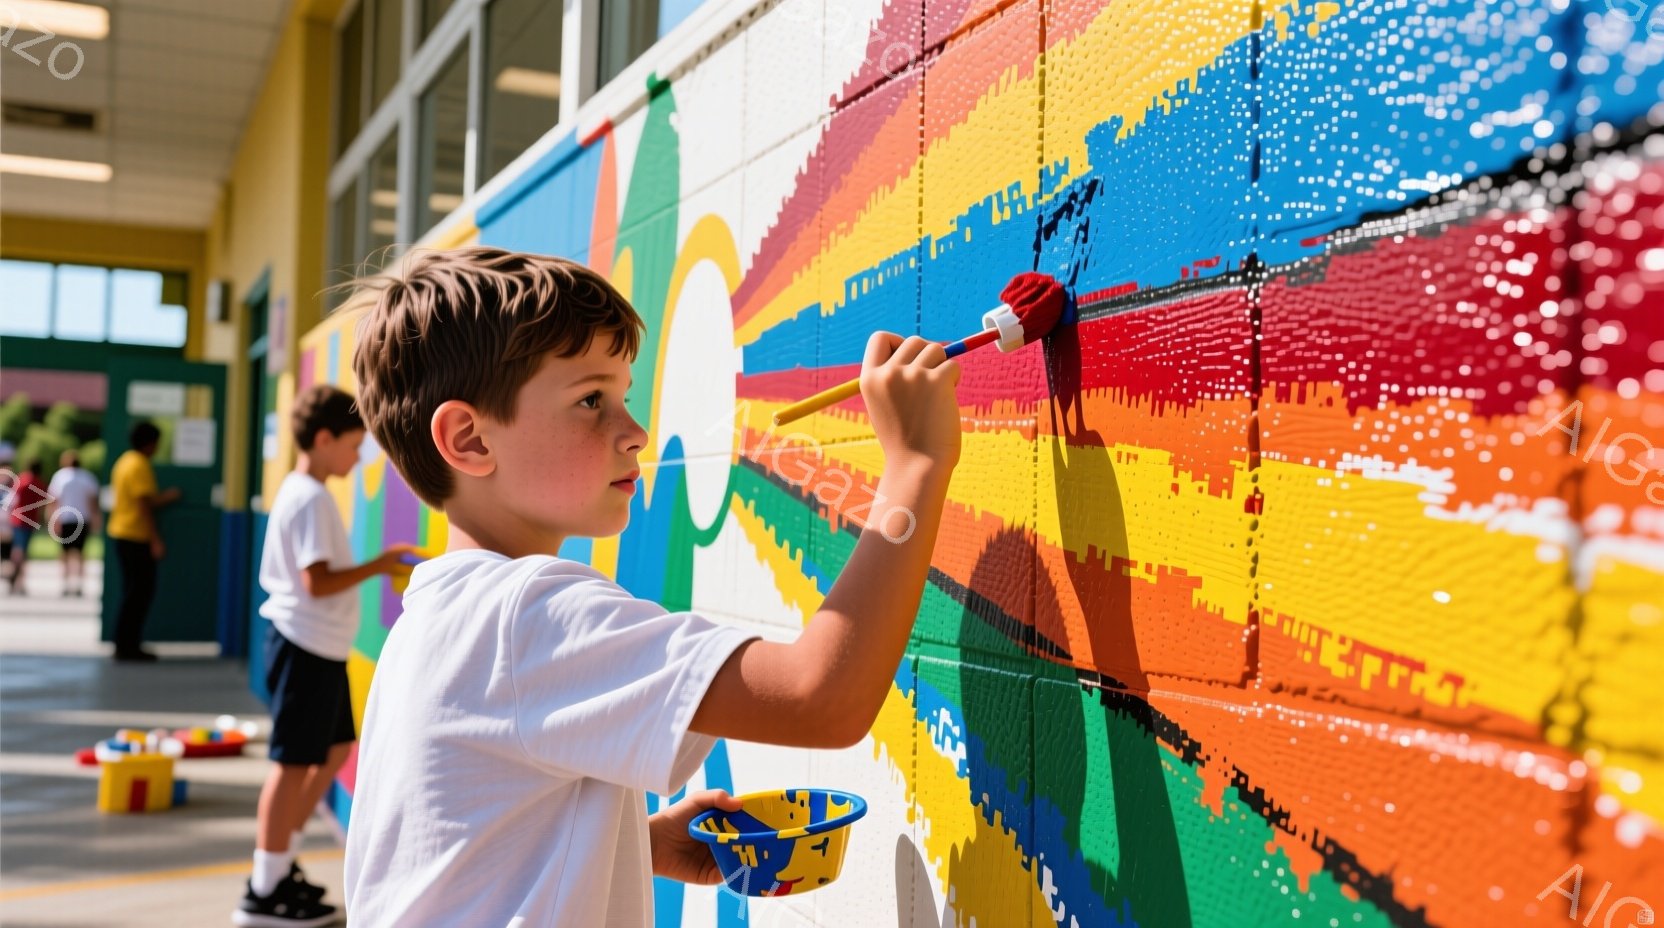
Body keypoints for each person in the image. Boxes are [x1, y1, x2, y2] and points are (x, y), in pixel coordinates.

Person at [341, 248, 962, 926]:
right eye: (590, 400)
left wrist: (638, 844)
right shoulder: (527, 613)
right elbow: (820, 699)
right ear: (469, 439)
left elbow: (455, 852)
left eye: (624, 397)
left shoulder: (432, 621)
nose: (634, 433)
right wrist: (915, 465)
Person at [233, 384, 413, 928]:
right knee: (291, 765)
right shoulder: (309, 498)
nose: (358, 458)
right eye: (354, 445)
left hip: (318, 648)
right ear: (325, 438)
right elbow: (317, 582)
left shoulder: (303, 491)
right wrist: (381, 565)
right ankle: (264, 889)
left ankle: (279, 859)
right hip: (305, 646)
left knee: (335, 749)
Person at [107, 422, 181, 661]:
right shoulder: (139, 465)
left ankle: (125, 643)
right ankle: (127, 646)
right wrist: (155, 539)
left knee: (132, 592)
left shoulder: (124, 461)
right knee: (139, 593)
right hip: (135, 536)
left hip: (121, 532)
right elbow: (143, 505)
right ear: (150, 443)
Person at [47, 450, 101, 597]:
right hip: (83, 518)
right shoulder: (88, 477)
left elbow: (54, 500)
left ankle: (65, 583)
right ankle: (79, 584)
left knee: (64, 553)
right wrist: (96, 518)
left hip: (65, 518)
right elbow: (92, 501)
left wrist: (53, 519)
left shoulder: (60, 476)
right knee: (80, 552)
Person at [6, 459, 47, 595]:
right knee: (22, 550)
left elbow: (12, 499)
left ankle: (16, 576)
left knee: (18, 549)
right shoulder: (39, 483)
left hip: (17, 519)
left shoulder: (22, 479)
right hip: (29, 520)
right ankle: (18, 579)